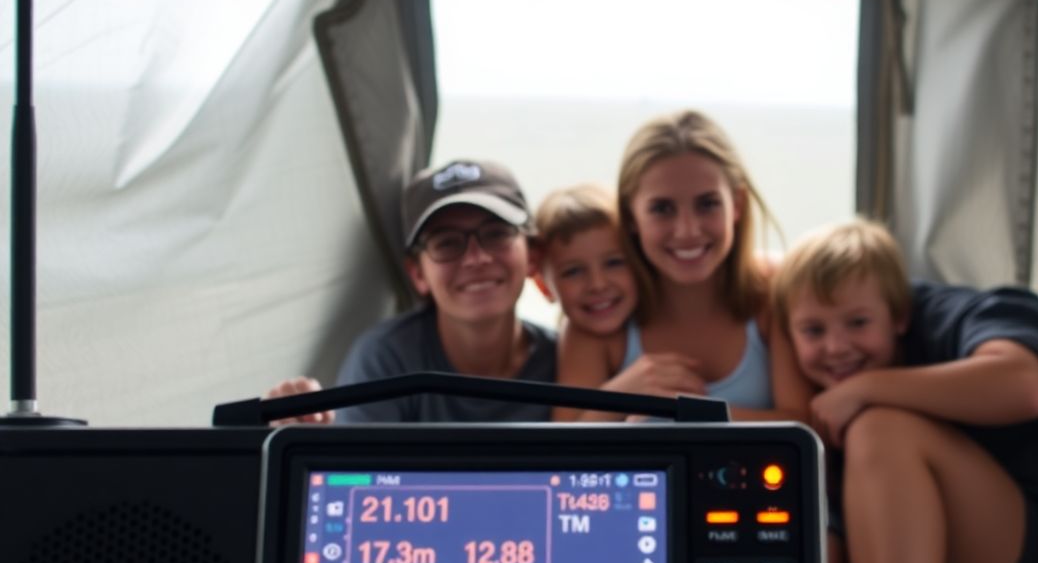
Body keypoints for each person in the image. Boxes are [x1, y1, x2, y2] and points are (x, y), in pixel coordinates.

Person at [772, 219, 1038, 563]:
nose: (836, 347)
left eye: (858, 322)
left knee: (879, 430)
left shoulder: (962, 315)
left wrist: (869, 387)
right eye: (813, 331)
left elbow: (1024, 386)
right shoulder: (807, 389)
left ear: (899, 314)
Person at [557, 109, 808, 421]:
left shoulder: (775, 291)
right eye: (662, 209)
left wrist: (683, 412)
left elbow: (806, 429)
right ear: (632, 216)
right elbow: (561, 458)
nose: (687, 230)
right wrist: (620, 397)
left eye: (707, 204)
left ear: (737, 205)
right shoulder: (601, 315)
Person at [266, 159, 557, 423]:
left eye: (496, 234)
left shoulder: (568, 357)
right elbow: (355, 471)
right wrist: (313, 441)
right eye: (447, 243)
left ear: (532, 254)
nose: (475, 258)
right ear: (418, 274)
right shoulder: (385, 359)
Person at [532, 183, 706, 407]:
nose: (597, 284)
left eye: (614, 263)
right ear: (543, 287)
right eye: (573, 271)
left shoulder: (674, 308)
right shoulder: (581, 335)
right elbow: (569, 434)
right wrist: (622, 393)